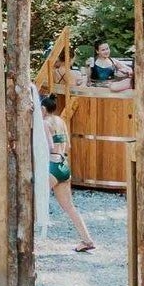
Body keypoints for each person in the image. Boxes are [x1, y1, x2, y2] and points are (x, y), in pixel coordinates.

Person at [40, 90, 95, 253]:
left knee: (31, 200)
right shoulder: (60, 121)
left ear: (43, 109)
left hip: (51, 164)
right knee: (70, 207)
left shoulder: (45, 123)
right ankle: (87, 239)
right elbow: (68, 146)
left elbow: (49, 146)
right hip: (64, 165)